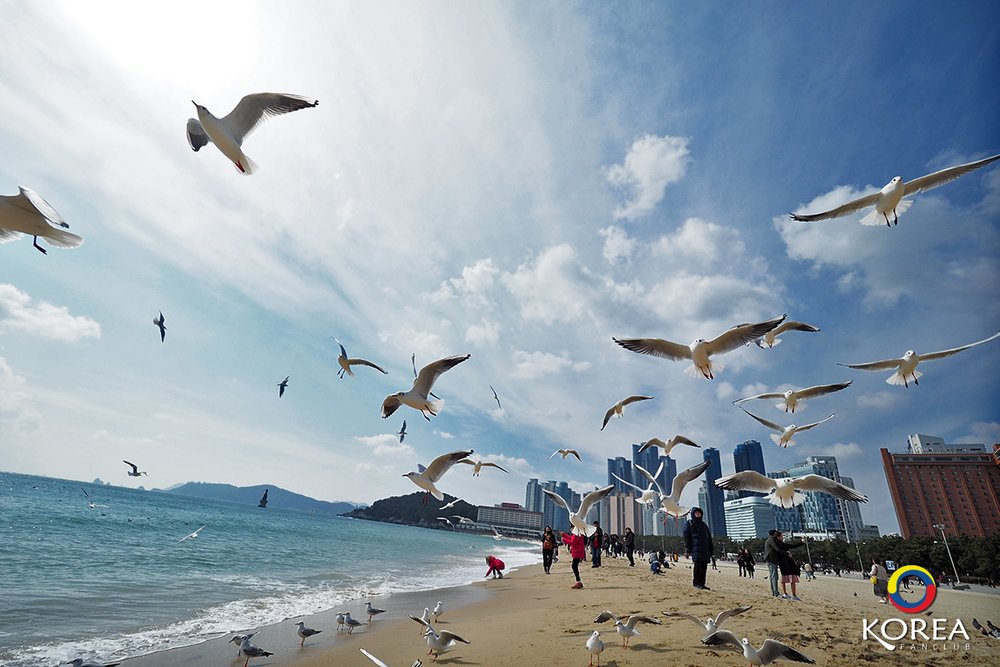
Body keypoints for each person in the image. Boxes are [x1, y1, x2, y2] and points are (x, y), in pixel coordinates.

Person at [764, 530, 804, 598]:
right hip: (771, 560)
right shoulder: (772, 540)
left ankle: (775, 592)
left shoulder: (774, 540)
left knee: (774, 576)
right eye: (778, 534)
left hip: (772, 560)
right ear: (774, 534)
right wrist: (787, 554)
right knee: (774, 576)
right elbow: (777, 549)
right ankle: (776, 593)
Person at [682, 507, 714, 590]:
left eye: (699, 513)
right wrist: (688, 549)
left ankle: (702, 583)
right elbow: (686, 537)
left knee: (704, 567)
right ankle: (696, 583)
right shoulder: (689, 523)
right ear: (693, 514)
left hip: (705, 549)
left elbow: (709, 538)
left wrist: (711, 550)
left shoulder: (704, 525)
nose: (698, 514)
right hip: (696, 548)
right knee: (698, 566)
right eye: (696, 513)